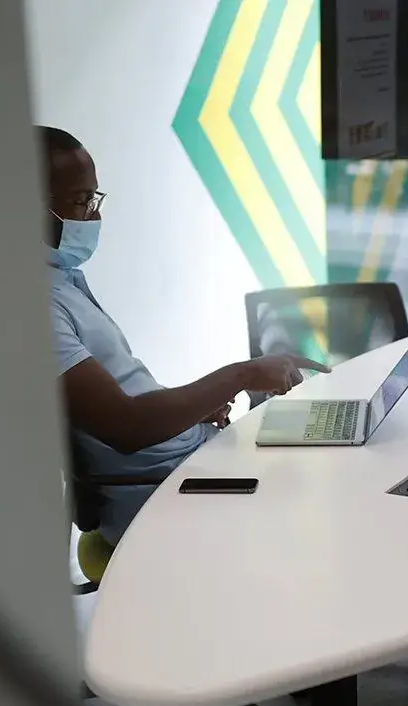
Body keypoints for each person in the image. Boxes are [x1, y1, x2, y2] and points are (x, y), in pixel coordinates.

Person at [41, 126, 328, 542]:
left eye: (94, 199)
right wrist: (241, 375)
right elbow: (125, 427)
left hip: (182, 459)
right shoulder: (37, 309)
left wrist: (196, 407)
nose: (95, 215)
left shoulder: (61, 282)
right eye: (82, 201)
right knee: (321, 498)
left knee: (320, 457)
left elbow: (124, 396)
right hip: (159, 492)